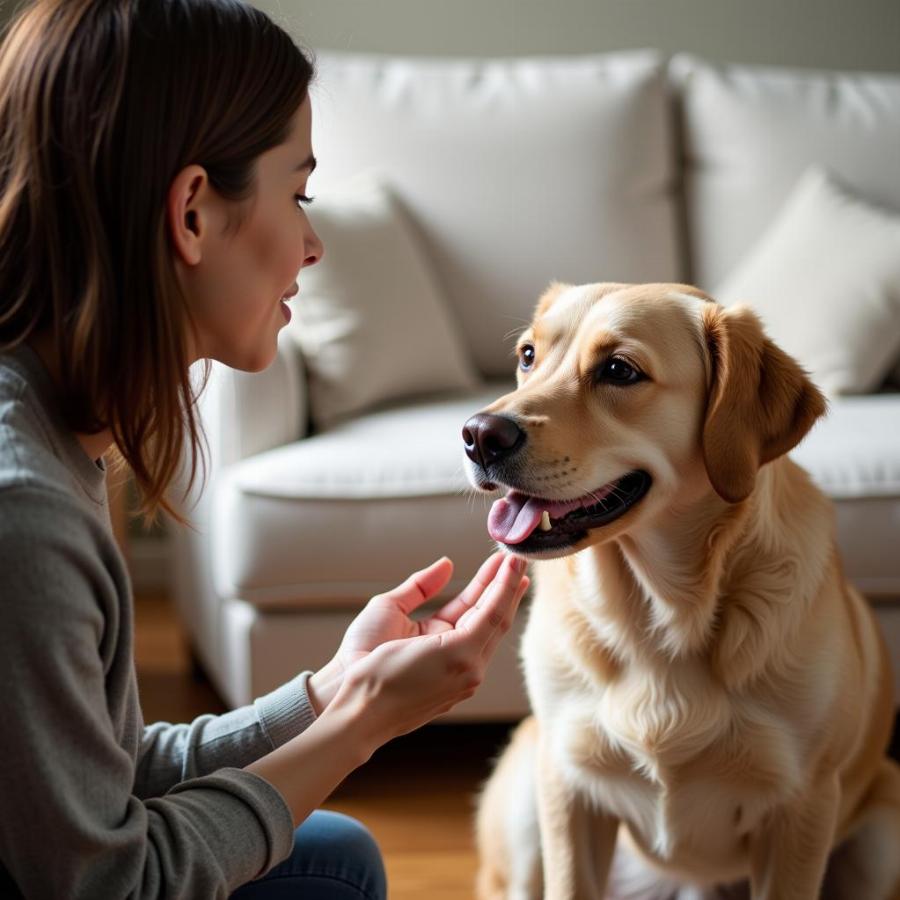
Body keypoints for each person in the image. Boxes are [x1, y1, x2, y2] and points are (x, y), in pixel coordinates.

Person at [0, 1, 530, 897]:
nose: (314, 243)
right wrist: (362, 723)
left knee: (334, 851)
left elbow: (106, 767)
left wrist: (329, 692)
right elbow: (109, 882)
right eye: (300, 194)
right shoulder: (25, 512)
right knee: (332, 865)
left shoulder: (53, 427)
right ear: (194, 213)